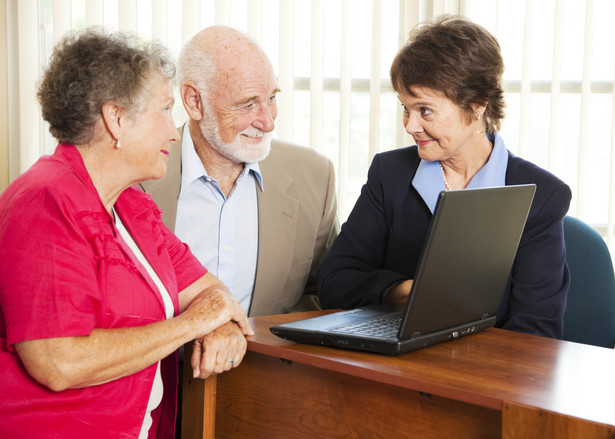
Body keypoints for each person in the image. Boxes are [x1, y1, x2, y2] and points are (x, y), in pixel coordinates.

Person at [0, 28, 253, 439]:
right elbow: (58, 362)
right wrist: (194, 325)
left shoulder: (131, 205)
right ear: (116, 119)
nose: (175, 131)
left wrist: (220, 324)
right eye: (164, 110)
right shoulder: (44, 202)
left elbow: (209, 291)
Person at [318, 15, 572, 339]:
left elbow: (538, 329)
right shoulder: (390, 175)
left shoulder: (542, 196)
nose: (410, 126)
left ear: (478, 104)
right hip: (399, 364)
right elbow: (334, 281)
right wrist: (408, 291)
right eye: (405, 108)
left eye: (425, 110)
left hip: (488, 375)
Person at [140, 25, 339, 317]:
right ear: (194, 102)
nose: (268, 121)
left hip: (268, 360)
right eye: (248, 104)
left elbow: (328, 295)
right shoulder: (135, 177)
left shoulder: (316, 177)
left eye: (271, 98)